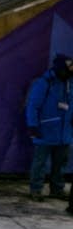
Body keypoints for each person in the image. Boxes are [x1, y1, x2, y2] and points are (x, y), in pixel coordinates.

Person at [25, 53, 73, 202]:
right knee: (40, 162)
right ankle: (36, 189)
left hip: (64, 132)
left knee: (60, 164)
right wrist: (32, 125)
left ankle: (57, 188)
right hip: (45, 130)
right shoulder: (44, 82)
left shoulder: (69, 82)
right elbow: (33, 106)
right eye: (70, 66)